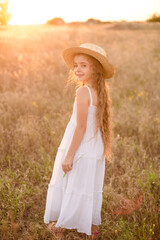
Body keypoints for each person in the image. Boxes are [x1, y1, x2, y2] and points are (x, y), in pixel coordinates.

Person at [44, 43, 114, 239]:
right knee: (87, 184)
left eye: (84, 65)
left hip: (82, 146)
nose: (77, 69)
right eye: (76, 65)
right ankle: (91, 225)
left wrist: (69, 155)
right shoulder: (99, 90)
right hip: (94, 146)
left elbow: (81, 127)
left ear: (95, 69)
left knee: (73, 182)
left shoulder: (83, 92)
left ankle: (64, 222)